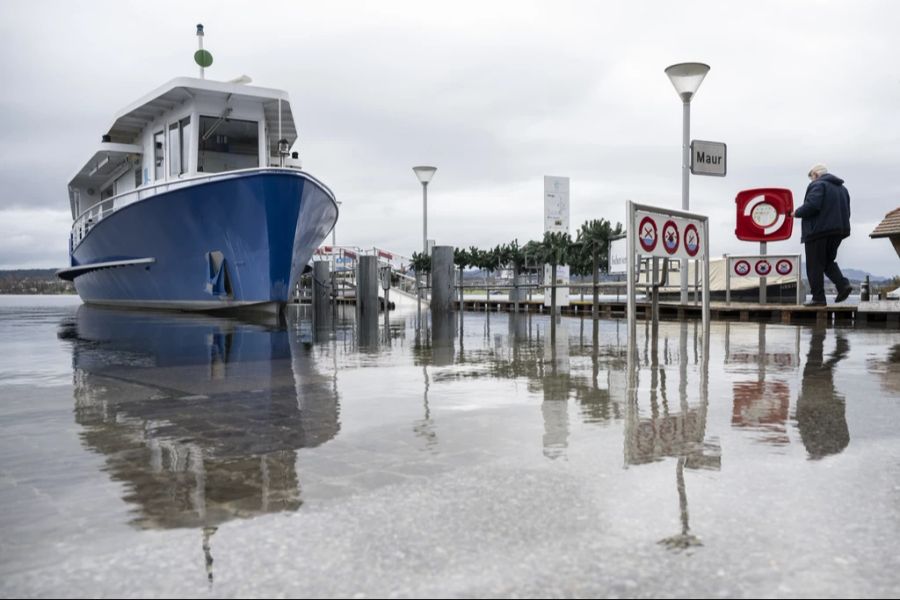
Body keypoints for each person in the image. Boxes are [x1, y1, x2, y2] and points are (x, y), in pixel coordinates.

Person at [792, 163, 852, 307]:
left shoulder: (818, 185)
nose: (811, 181)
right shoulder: (843, 189)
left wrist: (796, 213)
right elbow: (847, 211)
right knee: (827, 262)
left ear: (816, 175)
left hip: (818, 231)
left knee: (814, 266)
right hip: (839, 231)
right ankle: (843, 285)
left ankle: (818, 298)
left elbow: (813, 205)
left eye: (811, 177)